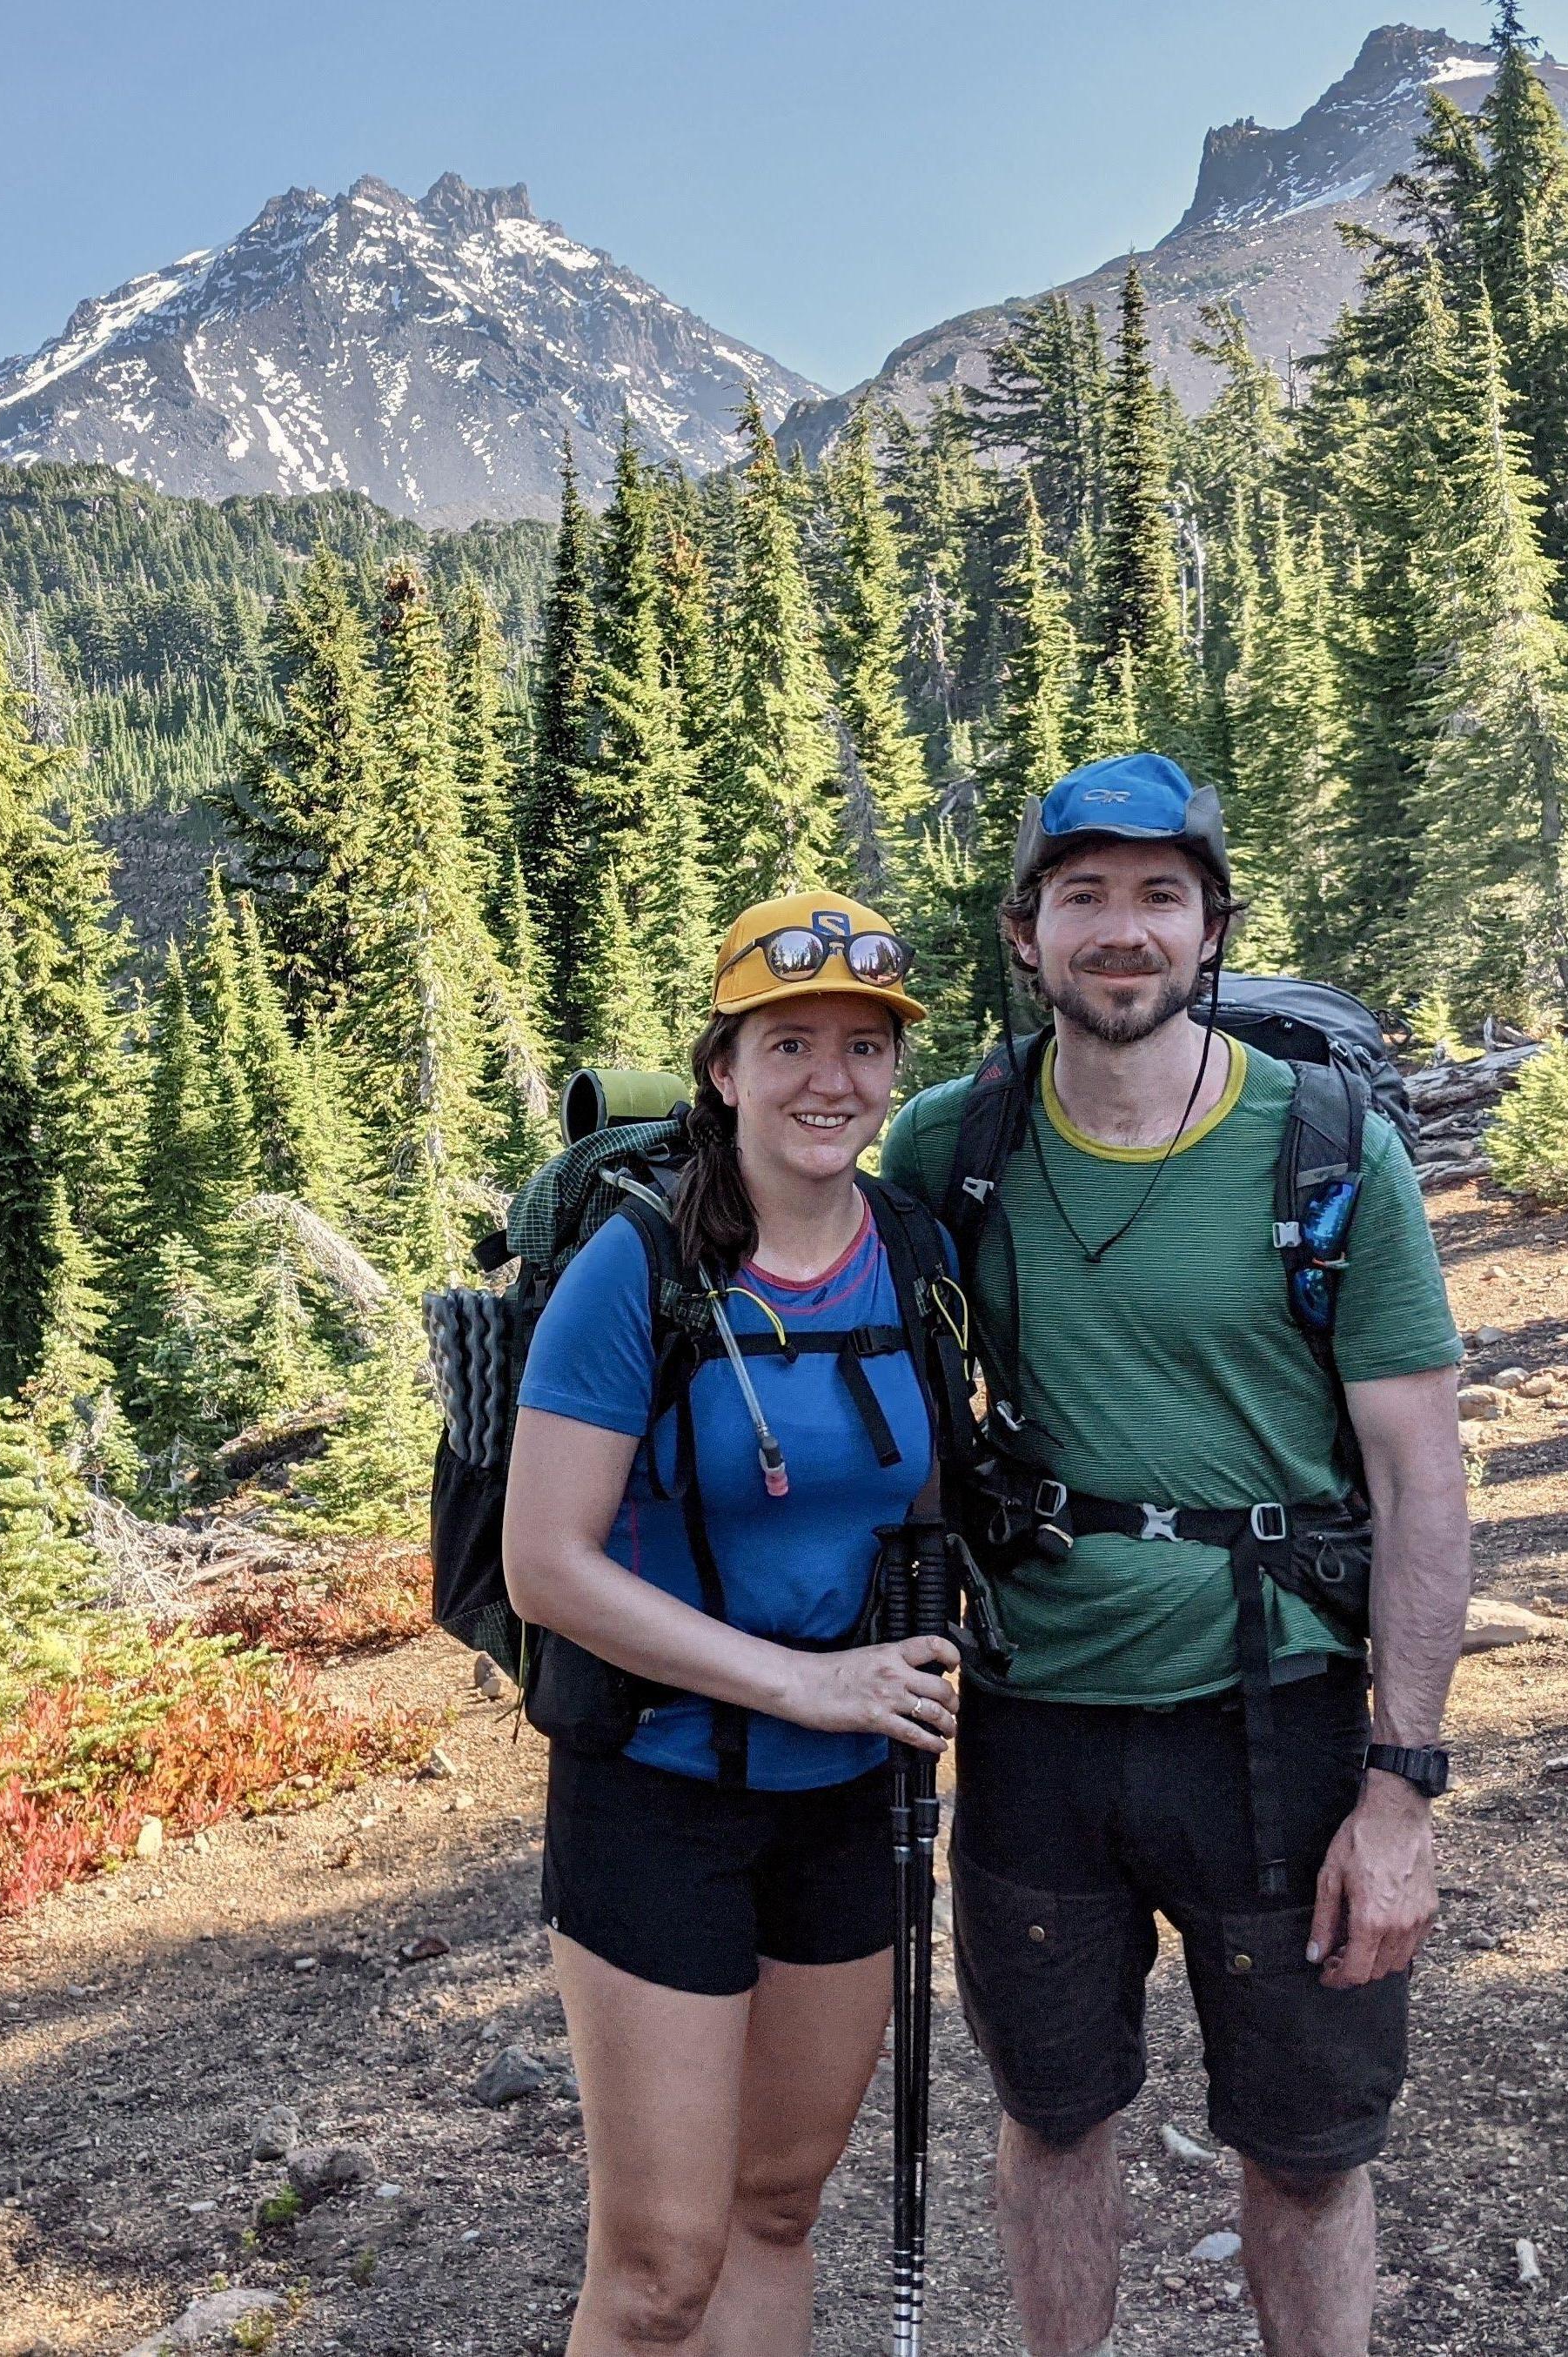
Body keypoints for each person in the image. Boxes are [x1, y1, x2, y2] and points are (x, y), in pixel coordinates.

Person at [883, 753, 1470, 2357]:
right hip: (1034, 1723)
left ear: (1212, 928)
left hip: (1276, 1711)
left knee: (1304, 2146)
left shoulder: (1329, 1147)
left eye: (1160, 895)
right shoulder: (955, 1144)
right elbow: (803, 1253)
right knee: (1054, 2116)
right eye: (1086, 895)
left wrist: (1401, 1791)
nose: (1122, 930)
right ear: (1027, 932)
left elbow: (1423, 1477)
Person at [501, 891, 962, 2357]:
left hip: (854, 1806)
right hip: (657, 1792)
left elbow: (944, 1500)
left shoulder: (915, 1250)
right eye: (790, 1042)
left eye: (864, 1046)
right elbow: (546, 1565)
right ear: (724, 1066)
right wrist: (809, 1684)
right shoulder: (631, 1272)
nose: (831, 1078)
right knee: (657, 2266)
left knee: (776, 2205)